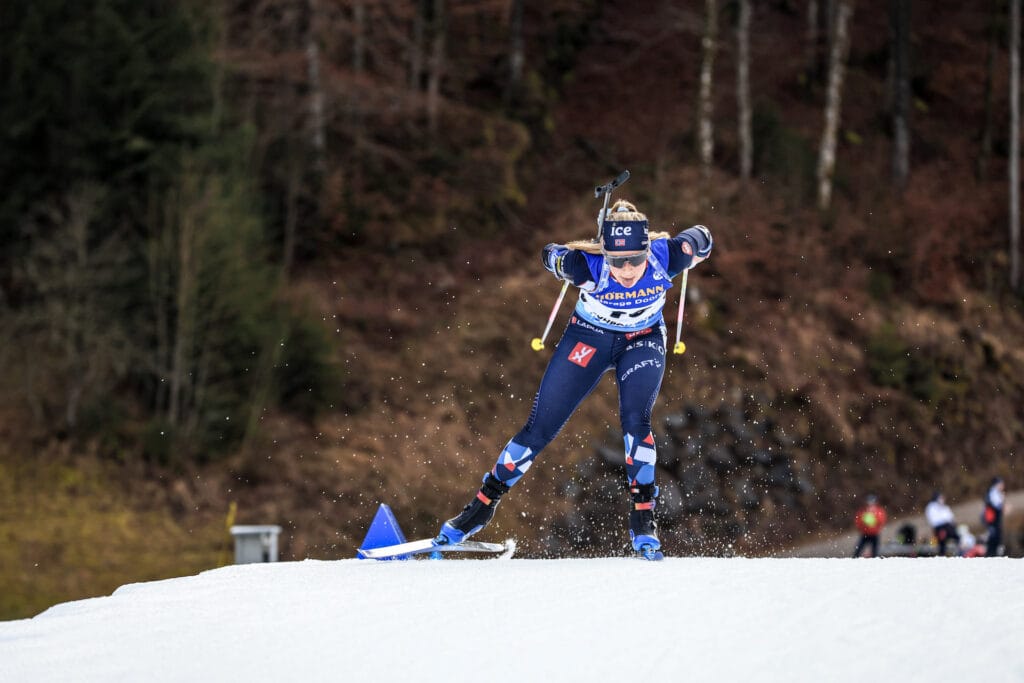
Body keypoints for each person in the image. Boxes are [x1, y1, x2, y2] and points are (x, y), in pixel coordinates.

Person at [433, 199, 713, 557]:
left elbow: (702, 237)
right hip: (588, 339)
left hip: (642, 342)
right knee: (539, 428)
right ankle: (480, 508)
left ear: (647, 251)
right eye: (617, 261)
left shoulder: (667, 256)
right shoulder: (586, 266)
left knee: (635, 421)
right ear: (605, 254)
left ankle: (643, 520)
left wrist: (697, 243)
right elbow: (548, 253)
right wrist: (559, 260)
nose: (627, 270)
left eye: (634, 260)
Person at [924, 491, 960, 556]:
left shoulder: (945, 507)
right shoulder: (932, 507)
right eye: (941, 498)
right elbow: (933, 520)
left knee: (957, 536)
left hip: (948, 527)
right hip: (939, 528)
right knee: (942, 540)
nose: (942, 500)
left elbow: (951, 517)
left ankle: (958, 553)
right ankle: (942, 554)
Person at [852, 494, 887, 558]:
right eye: (869, 502)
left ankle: (874, 562)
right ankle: (854, 559)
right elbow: (858, 520)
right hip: (865, 533)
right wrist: (862, 526)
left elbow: (881, 521)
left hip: (875, 534)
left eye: (872, 502)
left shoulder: (878, 510)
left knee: (875, 551)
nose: (870, 504)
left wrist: (874, 518)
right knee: (858, 550)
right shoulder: (863, 511)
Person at [982, 476, 1006, 557]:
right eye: (1001, 483)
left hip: (994, 519)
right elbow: (995, 506)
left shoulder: (996, 492)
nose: (1003, 485)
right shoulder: (993, 492)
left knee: (996, 536)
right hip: (991, 519)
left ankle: (993, 554)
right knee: (993, 537)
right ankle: (991, 555)